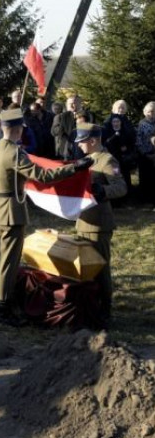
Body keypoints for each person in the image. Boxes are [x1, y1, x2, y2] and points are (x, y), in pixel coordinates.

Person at [0, 109, 93, 326]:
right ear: (17, 130)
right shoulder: (15, 153)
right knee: (8, 263)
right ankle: (3, 308)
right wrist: (73, 168)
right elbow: (43, 176)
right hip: (11, 212)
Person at [74, 123, 127, 326]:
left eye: (82, 141)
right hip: (83, 221)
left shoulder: (107, 160)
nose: (79, 145)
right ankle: (90, 306)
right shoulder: (85, 160)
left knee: (100, 268)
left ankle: (105, 309)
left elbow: (121, 187)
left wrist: (102, 191)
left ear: (93, 140)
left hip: (99, 223)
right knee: (87, 267)